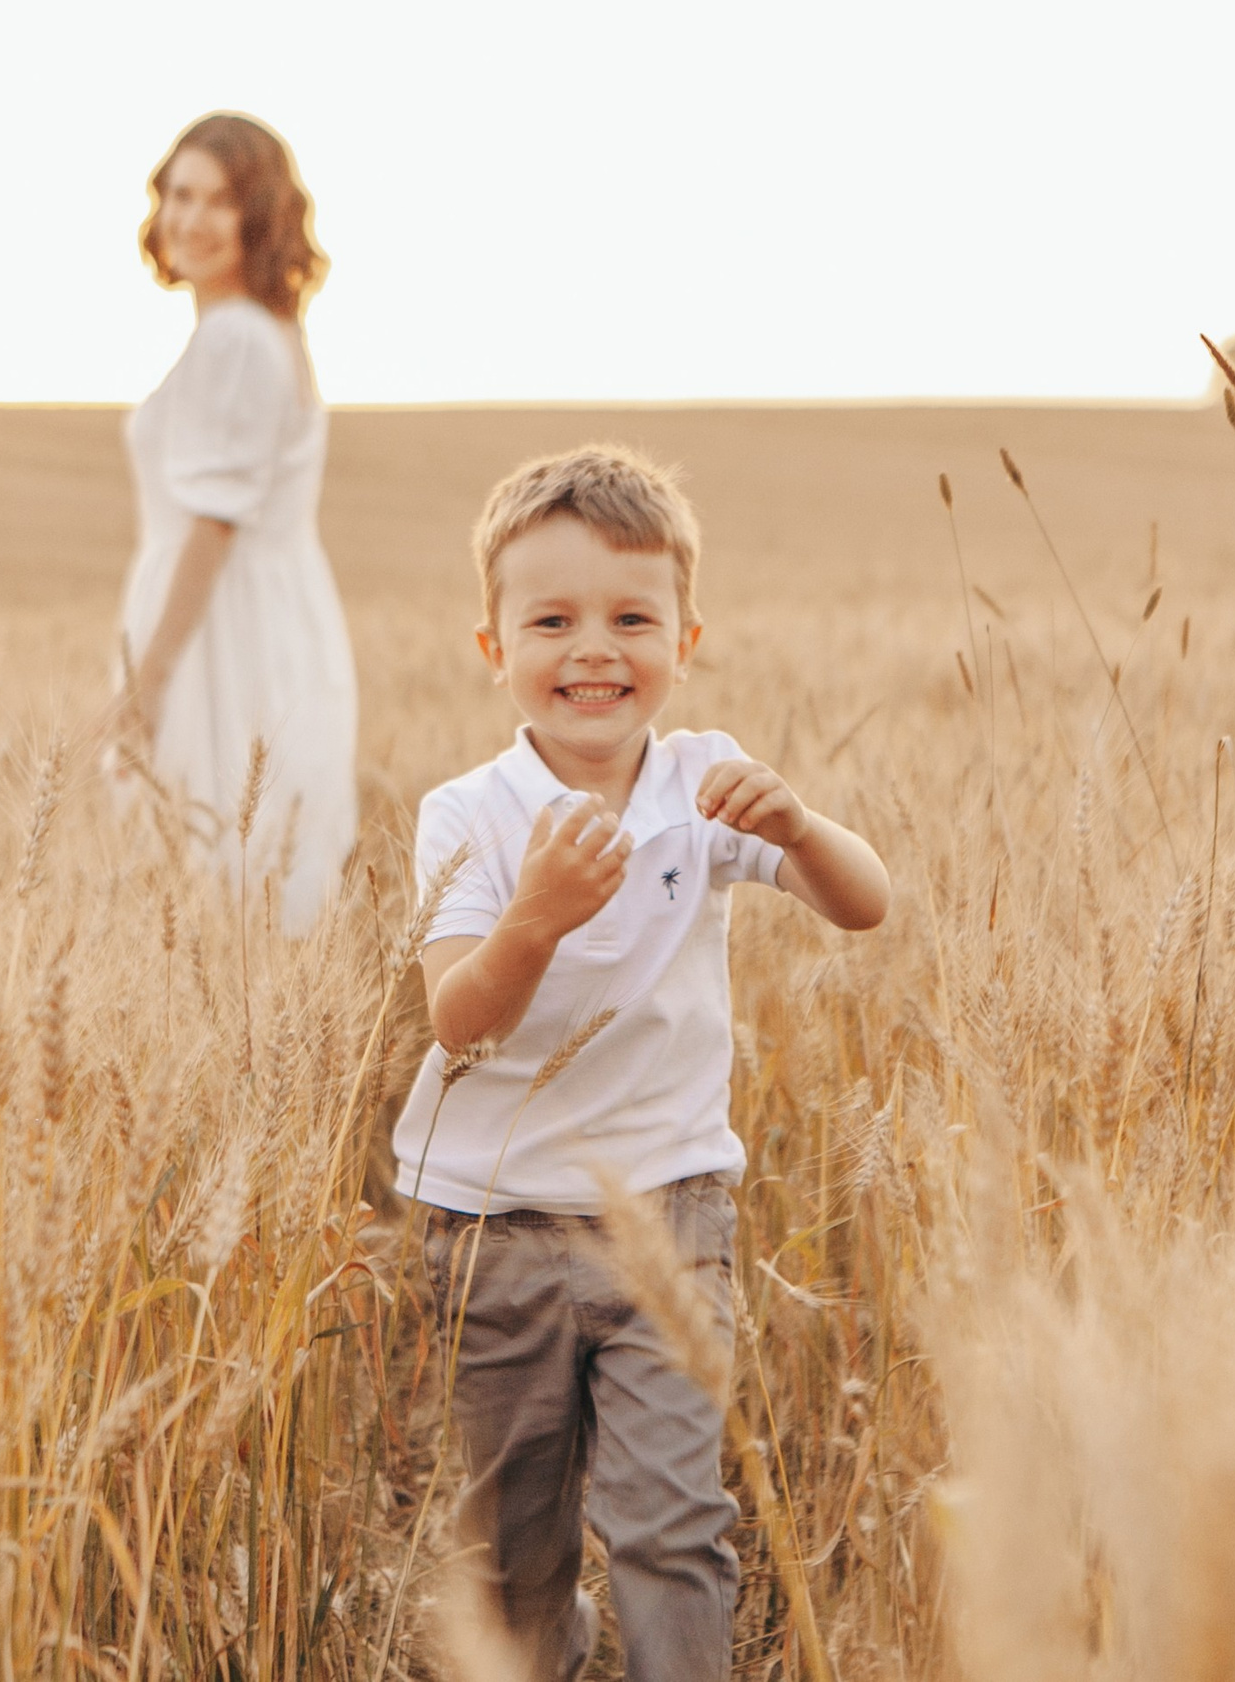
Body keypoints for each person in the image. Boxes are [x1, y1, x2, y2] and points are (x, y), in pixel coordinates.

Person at [399, 446, 890, 1681]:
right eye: (552, 620)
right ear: (492, 646)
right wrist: (534, 919)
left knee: (673, 1525)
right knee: (515, 1554)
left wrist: (798, 826)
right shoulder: (468, 815)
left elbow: (864, 905)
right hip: (494, 1233)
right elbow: (458, 1018)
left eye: (631, 617)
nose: (593, 649)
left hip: (670, 1221)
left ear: (686, 637)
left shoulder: (697, 784)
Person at [110, 112, 357, 934]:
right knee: (240, 882)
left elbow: (212, 528)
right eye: (178, 194)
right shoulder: (259, 332)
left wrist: (146, 687)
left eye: (219, 200)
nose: (190, 218)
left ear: (259, 217)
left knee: (213, 875)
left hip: (222, 635)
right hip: (260, 619)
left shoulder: (238, 342)